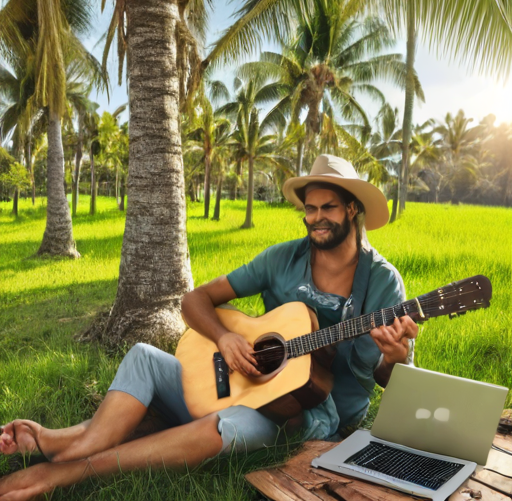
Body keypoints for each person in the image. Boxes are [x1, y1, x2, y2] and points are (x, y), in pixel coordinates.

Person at [0, 154, 417, 501]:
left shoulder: (381, 281)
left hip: (310, 416)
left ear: (352, 209)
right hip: (241, 383)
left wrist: (395, 359)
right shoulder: (282, 259)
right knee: (144, 357)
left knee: (224, 425)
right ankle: (77, 442)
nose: (316, 218)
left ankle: (66, 471)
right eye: (310, 208)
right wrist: (225, 337)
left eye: (328, 207)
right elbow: (193, 299)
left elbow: (389, 380)